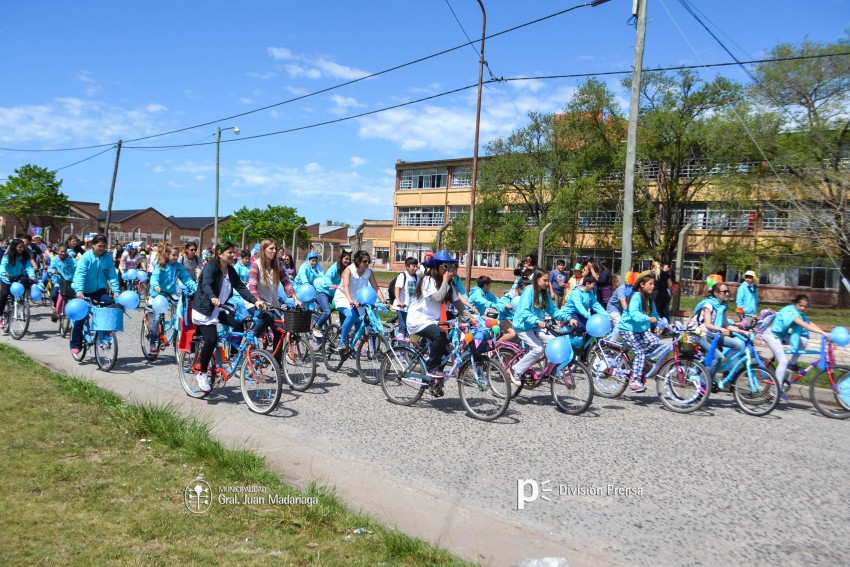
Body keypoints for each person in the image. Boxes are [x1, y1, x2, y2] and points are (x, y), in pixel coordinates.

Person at [192, 242, 266, 393]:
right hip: (205, 310)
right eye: (230, 252)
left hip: (220, 309)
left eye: (234, 252)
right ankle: (202, 373)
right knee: (211, 340)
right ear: (220, 254)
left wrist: (255, 300)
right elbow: (206, 285)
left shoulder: (230, 270)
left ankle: (233, 356)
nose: (233, 255)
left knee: (239, 321)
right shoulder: (210, 267)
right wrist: (212, 297)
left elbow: (240, 287)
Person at [405, 251, 468, 393]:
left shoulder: (448, 285)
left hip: (432, 321)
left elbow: (458, 304)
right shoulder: (428, 281)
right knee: (440, 335)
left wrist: (472, 319)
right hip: (418, 319)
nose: (448, 270)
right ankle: (432, 367)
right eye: (445, 266)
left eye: (451, 267)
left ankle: (434, 382)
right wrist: (445, 281)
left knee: (446, 354)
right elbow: (438, 298)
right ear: (436, 267)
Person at [509, 268, 572, 386]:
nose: (547, 283)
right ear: (536, 279)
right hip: (523, 327)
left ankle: (549, 372)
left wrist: (568, 318)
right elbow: (524, 311)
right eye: (545, 280)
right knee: (538, 349)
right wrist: (537, 321)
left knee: (556, 342)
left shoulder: (544, 293)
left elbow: (554, 311)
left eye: (548, 280)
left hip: (535, 326)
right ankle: (516, 370)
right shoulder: (528, 292)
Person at [762, 294, 825, 397]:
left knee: (803, 340)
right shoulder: (791, 312)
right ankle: (775, 390)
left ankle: (792, 364)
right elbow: (805, 325)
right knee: (783, 361)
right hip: (772, 334)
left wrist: (823, 332)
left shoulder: (798, 313)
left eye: (805, 306)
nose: (803, 308)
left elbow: (809, 322)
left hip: (781, 335)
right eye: (801, 305)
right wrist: (823, 333)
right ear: (796, 303)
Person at [248, 239, 299, 361]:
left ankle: (277, 365)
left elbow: (286, 282)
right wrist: (258, 301)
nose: (274, 251)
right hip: (256, 302)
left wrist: (295, 298)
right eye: (271, 248)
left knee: (280, 331)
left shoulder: (278, 265)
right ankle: (251, 337)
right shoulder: (256, 265)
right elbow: (252, 287)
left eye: (275, 248)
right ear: (263, 250)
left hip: (273, 304)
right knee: (268, 318)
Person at [70, 234, 121, 355]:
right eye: (99, 246)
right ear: (92, 245)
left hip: (99, 290)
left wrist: (116, 291)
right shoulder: (86, 257)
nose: (102, 248)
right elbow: (80, 275)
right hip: (84, 291)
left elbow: (112, 276)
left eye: (104, 246)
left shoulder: (107, 258)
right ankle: (76, 343)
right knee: (81, 315)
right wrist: (79, 291)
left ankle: (105, 330)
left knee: (109, 305)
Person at [334, 250, 386, 352]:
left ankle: (352, 347)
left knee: (362, 321)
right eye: (365, 261)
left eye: (368, 261)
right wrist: (350, 300)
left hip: (358, 300)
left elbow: (375, 287)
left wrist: (383, 302)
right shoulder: (349, 270)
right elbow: (345, 286)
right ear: (358, 261)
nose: (367, 264)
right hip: (344, 297)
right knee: (350, 315)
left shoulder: (369, 271)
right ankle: (342, 342)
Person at [149, 245, 198, 352]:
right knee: (157, 318)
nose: (176, 257)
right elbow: (154, 277)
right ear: (167, 255)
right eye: (173, 255)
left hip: (171, 293)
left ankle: (178, 333)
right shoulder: (161, 265)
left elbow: (187, 279)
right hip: (159, 294)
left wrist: (196, 288)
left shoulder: (178, 266)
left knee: (181, 310)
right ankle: (153, 341)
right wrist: (156, 286)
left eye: (177, 255)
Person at [617, 271, 660, 393]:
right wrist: (647, 318)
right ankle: (634, 382)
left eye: (653, 284)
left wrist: (664, 323)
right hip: (628, 328)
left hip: (640, 328)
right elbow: (634, 314)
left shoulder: (650, 298)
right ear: (642, 284)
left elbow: (655, 315)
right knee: (640, 351)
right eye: (650, 284)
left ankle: (639, 362)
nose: (653, 286)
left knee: (655, 342)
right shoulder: (636, 296)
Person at [468, 275, 516, 344]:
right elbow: (485, 303)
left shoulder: (486, 293)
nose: (490, 287)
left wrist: (504, 305)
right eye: (490, 285)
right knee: (483, 333)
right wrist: (494, 306)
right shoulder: (477, 294)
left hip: (478, 316)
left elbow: (496, 300)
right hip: (470, 316)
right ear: (485, 285)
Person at [313, 250, 351, 339]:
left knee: (343, 308)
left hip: (334, 293)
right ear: (341, 258)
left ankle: (343, 330)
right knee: (327, 312)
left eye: (349, 259)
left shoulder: (347, 269)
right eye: (346, 259)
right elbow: (327, 278)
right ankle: (316, 327)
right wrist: (331, 285)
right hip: (323, 291)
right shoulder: (334, 267)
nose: (348, 261)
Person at [0, 238, 36, 327]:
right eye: (19, 247)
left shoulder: (25, 257)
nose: (21, 249)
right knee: (4, 294)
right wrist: (3, 273)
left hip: (19, 276)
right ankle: (0, 314)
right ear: (14, 247)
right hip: (7, 277)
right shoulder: (8, 256)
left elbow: (28, 267)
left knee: (19, 292)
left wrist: (32, 276)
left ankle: (18, 304)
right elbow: (3, 265)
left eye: (22, 247)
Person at [606, 272, 638, 342]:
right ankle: (612, 343)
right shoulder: (622, 289)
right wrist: (629, 314)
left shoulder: (634, 290)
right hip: (613, 309)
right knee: (619, 323)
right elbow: (623, 302)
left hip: (622, 310)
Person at [48, 244, 76, 322]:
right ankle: (55, 307)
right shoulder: (55, 259)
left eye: (64, 252)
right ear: (58, 251)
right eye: (61, 251)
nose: (63, 253)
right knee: (53, 295)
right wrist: (52, 271)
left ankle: (68, 311)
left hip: (69, 281)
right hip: (59, 281)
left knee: (70, 296)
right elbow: (51, 267)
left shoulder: (71, 260)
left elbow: (76, 268)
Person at [392, 257, 419, 338]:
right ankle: (401, 348)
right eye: (413, 266)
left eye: (416, 266)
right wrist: (399, 301)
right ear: (407, 266)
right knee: (403, 327)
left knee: (410, 328)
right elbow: (397, 289)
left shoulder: (416, 277)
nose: (415, 268)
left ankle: (406, 347)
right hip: (401, 307)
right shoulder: (402, 275)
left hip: (411, 308)